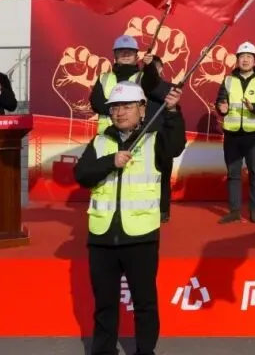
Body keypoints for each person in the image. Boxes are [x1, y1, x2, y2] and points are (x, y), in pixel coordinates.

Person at [74, 81, 185, 355]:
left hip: (140, 237)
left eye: (127, 106)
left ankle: (145, 351)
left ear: (142, 109)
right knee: (105, 304)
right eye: (115, 107)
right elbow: (82, 175)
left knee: (144, 304)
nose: (120, 112)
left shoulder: (154, 140)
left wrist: (172, 112)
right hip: (102, 237)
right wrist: (110, 162)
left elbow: (175, 145)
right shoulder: (100, 142)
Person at [215, 42, 255, 224]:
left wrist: (254, 107)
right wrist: (222, 108)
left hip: (253, 136)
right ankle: (234, 211)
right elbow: (220, 101)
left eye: (249, 57)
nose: (245, 60)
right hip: (232, 134)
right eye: (242, 56)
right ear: (237, 59)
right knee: (233, 173)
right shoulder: (228, 80)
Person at [91, 35, 150, 135]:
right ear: (115, 55)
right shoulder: (103, 78)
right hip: (106, 136)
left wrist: (151, 67)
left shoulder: (146, 77)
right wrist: (127, 110)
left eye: (130, 51)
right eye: (121, 51)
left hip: (135, 135)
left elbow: (150, 106)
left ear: (136, 56)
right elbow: (97, 105)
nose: (125, 54)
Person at [141, 57, 175, 223]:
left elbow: (156, 90)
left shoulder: (169, 88)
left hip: (162, 137)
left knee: (163, 176)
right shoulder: (137, 87)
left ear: (161, 69)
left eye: (154, 67)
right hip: (142, 137)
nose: (151, 69)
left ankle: (163, 209)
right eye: (148, 67)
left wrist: (150, 72)